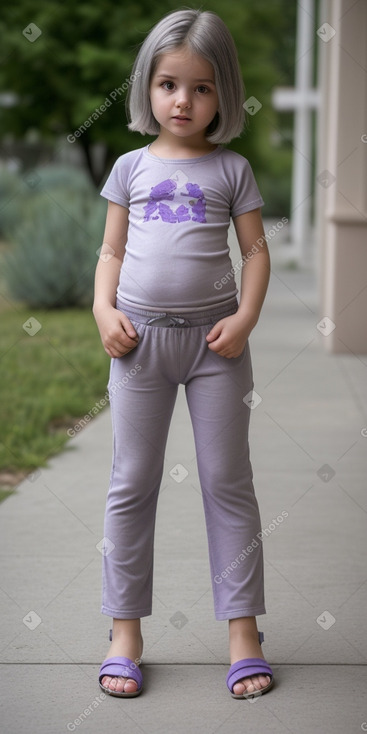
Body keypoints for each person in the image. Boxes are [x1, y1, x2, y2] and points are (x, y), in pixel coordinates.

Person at [93, 7, 274, 700]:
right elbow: (110, 251)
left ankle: (242, 633)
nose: (182, 101)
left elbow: (254, 252)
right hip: (137, 345)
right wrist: (102, 309)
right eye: (169, 83)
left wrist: (247, 316)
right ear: (147, 86)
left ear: (222, 93)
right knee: (130, 484)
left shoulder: (232, 168)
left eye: (201, 88)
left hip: (214, 348)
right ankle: (125, 633)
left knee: (227, 483)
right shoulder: (129, 168)